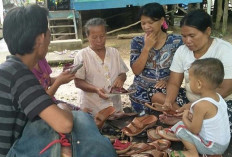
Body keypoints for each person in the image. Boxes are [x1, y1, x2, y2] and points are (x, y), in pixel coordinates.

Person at [0, 5, 117, 157]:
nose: (50, 36)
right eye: (48, 31)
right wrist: (65, 109)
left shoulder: (10, 69)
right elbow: (64, 124)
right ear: (41, 38)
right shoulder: (19, 74)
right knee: (79, 119)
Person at [151, 9, 232, 134]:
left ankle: (184, 119)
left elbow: (226, 89)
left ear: (208, 31)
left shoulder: (224, 50)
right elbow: (174, 83)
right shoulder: (182, 51)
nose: (187, 41)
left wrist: (193, 106)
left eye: (192, 36)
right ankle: (184, 117)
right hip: (189, 101)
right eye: (184, 36)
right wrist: (169, 102)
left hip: (218, 101)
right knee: (155, 92)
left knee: (223, 123)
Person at [128, 3, 183, 113]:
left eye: (150, 22)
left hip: (166, 95)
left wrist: (169, 80)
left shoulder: (176, 41)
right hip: (140, 96)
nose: (146, 26)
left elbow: (181, 69)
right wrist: (146, 48)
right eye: (143, 23)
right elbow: (136, 70)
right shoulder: (137, 42)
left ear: (162, 20)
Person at [170, 58, 230, 157]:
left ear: (199, 84)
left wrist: (184, 117)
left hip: (212, 146)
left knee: (180, 126)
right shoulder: (218, 97)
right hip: (223, 144)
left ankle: (192, 153)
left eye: (189, 81)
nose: (187, 84)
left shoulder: (201, 105)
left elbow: (194, 130)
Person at [74, 18, 129, 116]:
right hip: (93, 107)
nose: (99, 40)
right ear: (87, 36)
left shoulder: (114, 52)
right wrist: (96, 89)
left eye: (102, 36)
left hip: (115, 106)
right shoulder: (82, 56)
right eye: (94, 37)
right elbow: (78, 82)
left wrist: (121, 78)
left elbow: (122, 73)